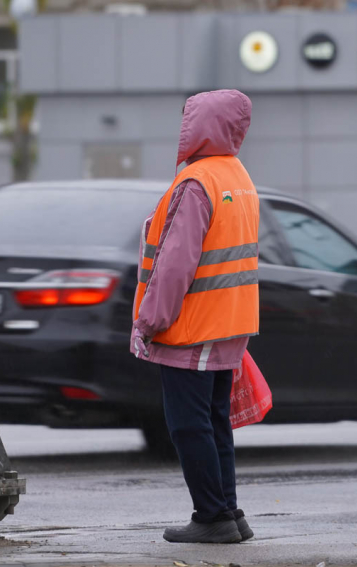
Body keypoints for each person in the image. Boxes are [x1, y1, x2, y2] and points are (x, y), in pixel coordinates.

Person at [131, 89, 259, 544]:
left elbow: (174, 265)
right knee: (213, 420)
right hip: (229, 321)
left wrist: (148, 322)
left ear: (198, 126)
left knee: (189, 424)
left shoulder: (195, 183)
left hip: (193, 325)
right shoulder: (237, 175)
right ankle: (228, 511)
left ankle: (213, 516)